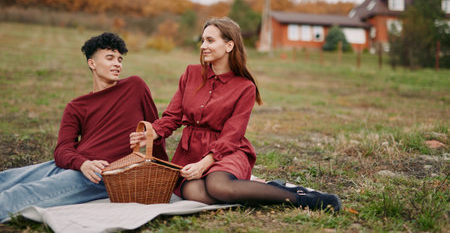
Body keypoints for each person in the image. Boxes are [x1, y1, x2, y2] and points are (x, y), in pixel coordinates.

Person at [130, 17, 341, 211]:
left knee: (219, 187)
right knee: (194, 193)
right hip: (191, 152)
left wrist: (205, 164)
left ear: (229, 45)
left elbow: (232, 135)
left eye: (210, 41)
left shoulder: (245, 87)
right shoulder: (190, 73)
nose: (203, 46)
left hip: (227, 150)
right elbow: (173, 116)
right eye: (203, 40)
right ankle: (259, 189)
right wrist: (152, 133)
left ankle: (302, 198)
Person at [0, 32, 168, 222]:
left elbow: (156, 130)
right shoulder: (76, 106)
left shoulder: (135, 87)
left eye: (120, 59)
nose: (117, 64)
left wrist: (159, 173)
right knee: (7, 178)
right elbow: (62, 150)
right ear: (92, 63)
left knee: (23, 192)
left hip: (105, 173)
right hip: (79, 164)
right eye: (110, 58)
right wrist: (82, 163)